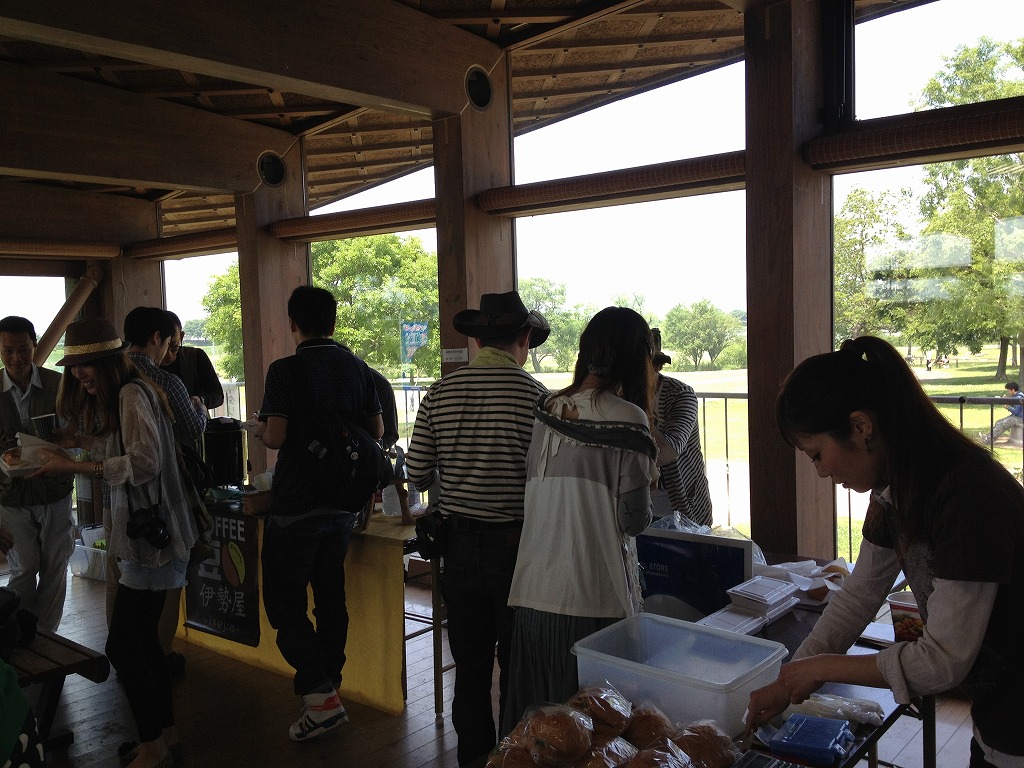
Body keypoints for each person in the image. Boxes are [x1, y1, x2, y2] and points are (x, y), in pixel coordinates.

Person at [745, 336, 1024, 767]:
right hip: (997, 707)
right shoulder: (897, 485)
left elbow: (941, 662)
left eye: (817, 454)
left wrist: (818, 669)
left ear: (861, 427)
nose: (821, 471)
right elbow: (860, 594)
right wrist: (791, 678)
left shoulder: (968, 495)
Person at [35, 317, 198, 768]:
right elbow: (123, 451)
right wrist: (77, 442)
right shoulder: (135, 389)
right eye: (74, 367)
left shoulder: (130, 394)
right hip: (155, 537)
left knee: (124, 647)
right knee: (144, 643)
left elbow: (144, 462)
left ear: (107, 362)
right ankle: (164, 737)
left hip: (152, 541)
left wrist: (71, 467)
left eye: (84, 365)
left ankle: (153, 746)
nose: (78, 374)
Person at [406, 290, 550, 768]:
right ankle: (514, 758)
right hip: (519, 550)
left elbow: (417, 471)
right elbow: (547, 481)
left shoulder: (440, 393)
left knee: (469, 668)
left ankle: (474, 759)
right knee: (517, 667)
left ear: (477, 340)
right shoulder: (538, 398)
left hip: (460, 548)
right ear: (524, 337)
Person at [503, 306, 659, 734]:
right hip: (594, 599)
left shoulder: (547, 408)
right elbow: (633, 520)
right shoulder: (629, 419)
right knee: (592, 737)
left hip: (533, 594)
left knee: (539, 737)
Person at [253, 285, 383, 742]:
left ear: (293, 323)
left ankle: (320, 696)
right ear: (333, 322)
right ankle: (331, 689)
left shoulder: (284, 370)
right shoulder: (358, 368)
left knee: (285, 607)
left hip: (295, 505)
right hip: (343, 506)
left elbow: (275, 437)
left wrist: (259, 429)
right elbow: (376, 430)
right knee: (330, 600)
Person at [124, 306, 208, 678]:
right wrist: (199, 409)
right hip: (163, 499)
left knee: (126, 582)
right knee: (169, 582)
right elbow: (191, 431)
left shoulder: (113, 377)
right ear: (157, 338)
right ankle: (160, 656)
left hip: (120, 499)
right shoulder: (166, 382)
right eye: (168, 343)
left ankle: (131, 658)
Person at [0, 315, 74, 631]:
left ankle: (46, 638)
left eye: (23, 349)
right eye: (8, 351)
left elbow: (76, 434)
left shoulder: (58, 385)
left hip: (54, 490)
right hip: (10, 495)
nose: (16, 358)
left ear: (34, 344)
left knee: (56, 567)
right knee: (24, 568)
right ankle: (15, 634)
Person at [648, 328, 712, 525]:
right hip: (638, 506)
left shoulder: (681, 394)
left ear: (656, 366)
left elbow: (670, 450)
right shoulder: (618, 395)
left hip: (683, 503)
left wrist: (638, 412)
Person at [159, 312, 224, 411]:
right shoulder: (148, 364)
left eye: (174, 346)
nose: (168, 354)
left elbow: (218, 395)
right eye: (163, 346)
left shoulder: (195, 356)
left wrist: (201, 400)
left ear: (182, 336)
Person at [979, 381, 1023, 445]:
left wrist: (1007, 407)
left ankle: (988, 440)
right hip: (1017, 417)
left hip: (1020, 419)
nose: (1008, 392)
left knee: (1003, 424)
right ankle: (988, 437)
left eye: (1008, 390)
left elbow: (1016, 411)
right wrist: (1008, 400)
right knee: (999, 422)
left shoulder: (1019, 397)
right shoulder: (1017, 396)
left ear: (1013, 390)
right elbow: (1015, 406)